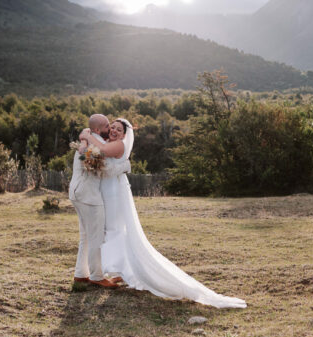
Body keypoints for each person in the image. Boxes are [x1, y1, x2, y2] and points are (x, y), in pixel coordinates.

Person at [80, 118, 246, 308]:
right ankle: (121, 270)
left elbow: (101, 149)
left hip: (114, 193)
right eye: (112, 127)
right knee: (114, 230)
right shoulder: (107, 141)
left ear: (125, 135)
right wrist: (85, 139)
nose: (114, 131)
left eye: (119, 129)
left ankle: (122, 270)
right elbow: (96, 148)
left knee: (115, 229)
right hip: (108, 189)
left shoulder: (117, 145)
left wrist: (86, 135)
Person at [69, 114, 130, 288]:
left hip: (77, 192)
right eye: (107, 126)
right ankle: (96, 276)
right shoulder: (94, 144)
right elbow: (106, 170)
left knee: (86, 236)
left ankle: (81, 274)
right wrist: (125, 166)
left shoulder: (89, 139)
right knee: (96, 237)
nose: (110, 129)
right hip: (88, 195)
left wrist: (84, 137)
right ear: (97, 129)